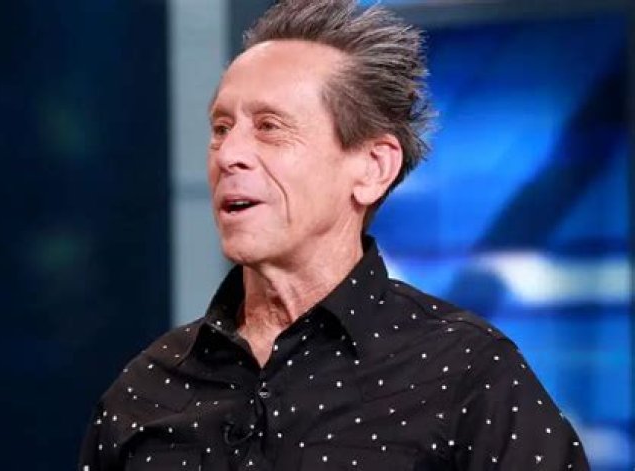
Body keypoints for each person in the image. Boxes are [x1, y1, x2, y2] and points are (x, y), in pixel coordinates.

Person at [78, 0, 589, 469]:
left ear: (372, 167)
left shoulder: (469, 375)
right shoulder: (147, 389)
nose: (229, 154)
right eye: (221, 128)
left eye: (269, 127)